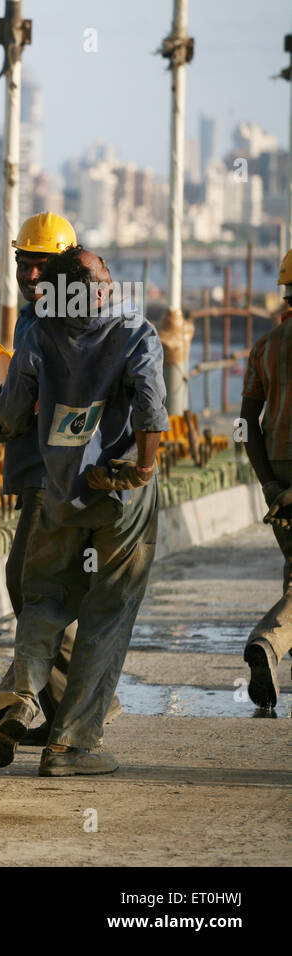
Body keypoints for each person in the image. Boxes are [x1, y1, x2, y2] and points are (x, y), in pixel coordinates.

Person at [0, 246, 168, 776]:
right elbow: (151, 410)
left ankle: (19, 700)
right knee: (108, 613)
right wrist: (145, 468)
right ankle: (70, 747)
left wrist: (5, 418)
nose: (109, 286)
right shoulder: (135, 332)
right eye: (105, 277)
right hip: (121, 497)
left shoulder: (40, 334)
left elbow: (12, 415)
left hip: (62, 490)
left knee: (45, 599)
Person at [0, 212, 121, 741]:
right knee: (36, 587)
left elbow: (60, 395)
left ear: (67, 267)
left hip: (62, 469)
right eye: (22, 261)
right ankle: (75, 705)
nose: (27, 273)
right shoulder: (35, 316)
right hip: (39, 468)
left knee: (31, 584)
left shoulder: (67, 321)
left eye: (40, 264)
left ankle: (74, 706)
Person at [238, 247, 292, 712]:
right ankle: (269, 644)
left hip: (276, 473)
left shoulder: (264, 347)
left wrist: (271, 486)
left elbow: (246, 425)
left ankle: (275, 666)